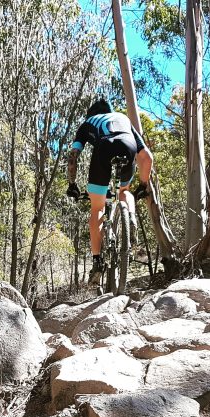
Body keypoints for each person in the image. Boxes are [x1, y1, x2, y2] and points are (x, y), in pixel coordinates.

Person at [66, 99, 154, 284]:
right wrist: (143, 185)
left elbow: (73, 156)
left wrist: (72, 184)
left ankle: (97, 262)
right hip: (127, 143)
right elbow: (147, 157)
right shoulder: (122, 118)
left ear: (91, 114)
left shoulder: (89, 122)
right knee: (124, 191)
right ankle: (130, 217)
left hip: (103, 147)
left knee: (97, 207)